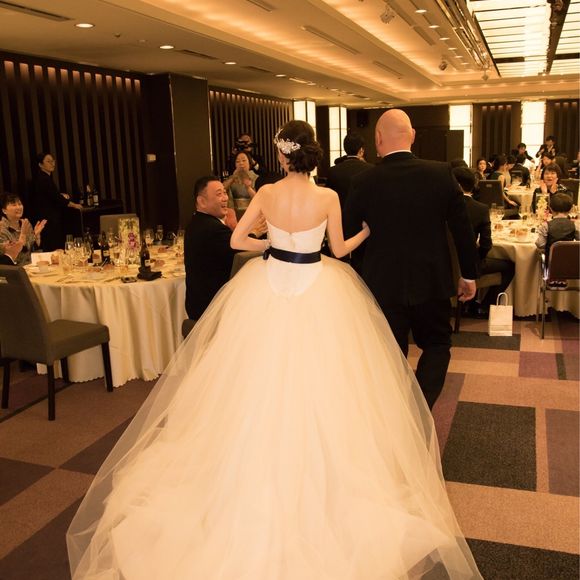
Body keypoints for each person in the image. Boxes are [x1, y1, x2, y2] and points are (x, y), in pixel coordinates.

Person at [67, 120, 482, 580]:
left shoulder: (265, 192)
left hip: (268, 284)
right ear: (311, 154)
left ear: (283, 155)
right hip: (318, 285)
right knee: (327, 380)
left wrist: (269, 242)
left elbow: (235, 240)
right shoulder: (328, 197)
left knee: (253, 378)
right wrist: (365, 233)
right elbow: (339, 249)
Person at [344, 109, 478, 409]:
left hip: (382, 283)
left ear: (378, 139)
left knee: (389, 352)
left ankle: (395, 412)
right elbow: (463, 230)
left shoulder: (364, 180)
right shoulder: (441, 173)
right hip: (432, 280)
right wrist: (468, 274)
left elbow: (348, 233)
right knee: (437, 344)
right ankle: (421, 407)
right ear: (413, 136)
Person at [453, 167, 515, 317]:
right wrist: (476, 261)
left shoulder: (443, 207)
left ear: (457, 185)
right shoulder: (481, 209)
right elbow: (486, 244)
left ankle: (465, 303)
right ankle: (484, 306)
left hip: (445, 264)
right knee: (510, 267)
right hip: (470, 264)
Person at [28, 152, 82, 251]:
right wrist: (74, 205)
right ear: (40, 165)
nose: (52, 163)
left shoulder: (43, 177)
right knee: (53, 246)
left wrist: (60, 195)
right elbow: (56, 198)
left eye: (53, 161)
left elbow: (50, 194)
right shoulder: (43, 178)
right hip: (48, 218)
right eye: (48, 161)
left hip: (47, 217)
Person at [326, 130, 372, 208]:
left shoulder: (333, 171)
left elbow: (329, 197)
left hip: (340, 213)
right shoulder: (370, 169)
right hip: (363, 214)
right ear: (361, 149)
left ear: (345, 148)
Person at [0, 192, 46, 266]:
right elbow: (7, 259)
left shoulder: (25, 224)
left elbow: (33, 251)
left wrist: (36, 236)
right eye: (14, 205)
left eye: (20, 204)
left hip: (31, 267)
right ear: (4, 210)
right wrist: (22, 238)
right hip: (14, 270)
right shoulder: (2, 229)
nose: (18, 207)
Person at [535, 192, 579, 266]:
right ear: (570, 209)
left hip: (551, 264)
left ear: (550, 209)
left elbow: (540, 244)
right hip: (570, 264)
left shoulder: (545, 226)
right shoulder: (575, 225)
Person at [223, 150, 258, 217]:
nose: (241, 163)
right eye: (237, 161)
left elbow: (259, 199)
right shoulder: (231, 179)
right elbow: (222, 189)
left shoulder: (256, 178)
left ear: (249, 163)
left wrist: (248, 188)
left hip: (252, 215)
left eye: (244, 160)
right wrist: (233, 178)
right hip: (235, 215)